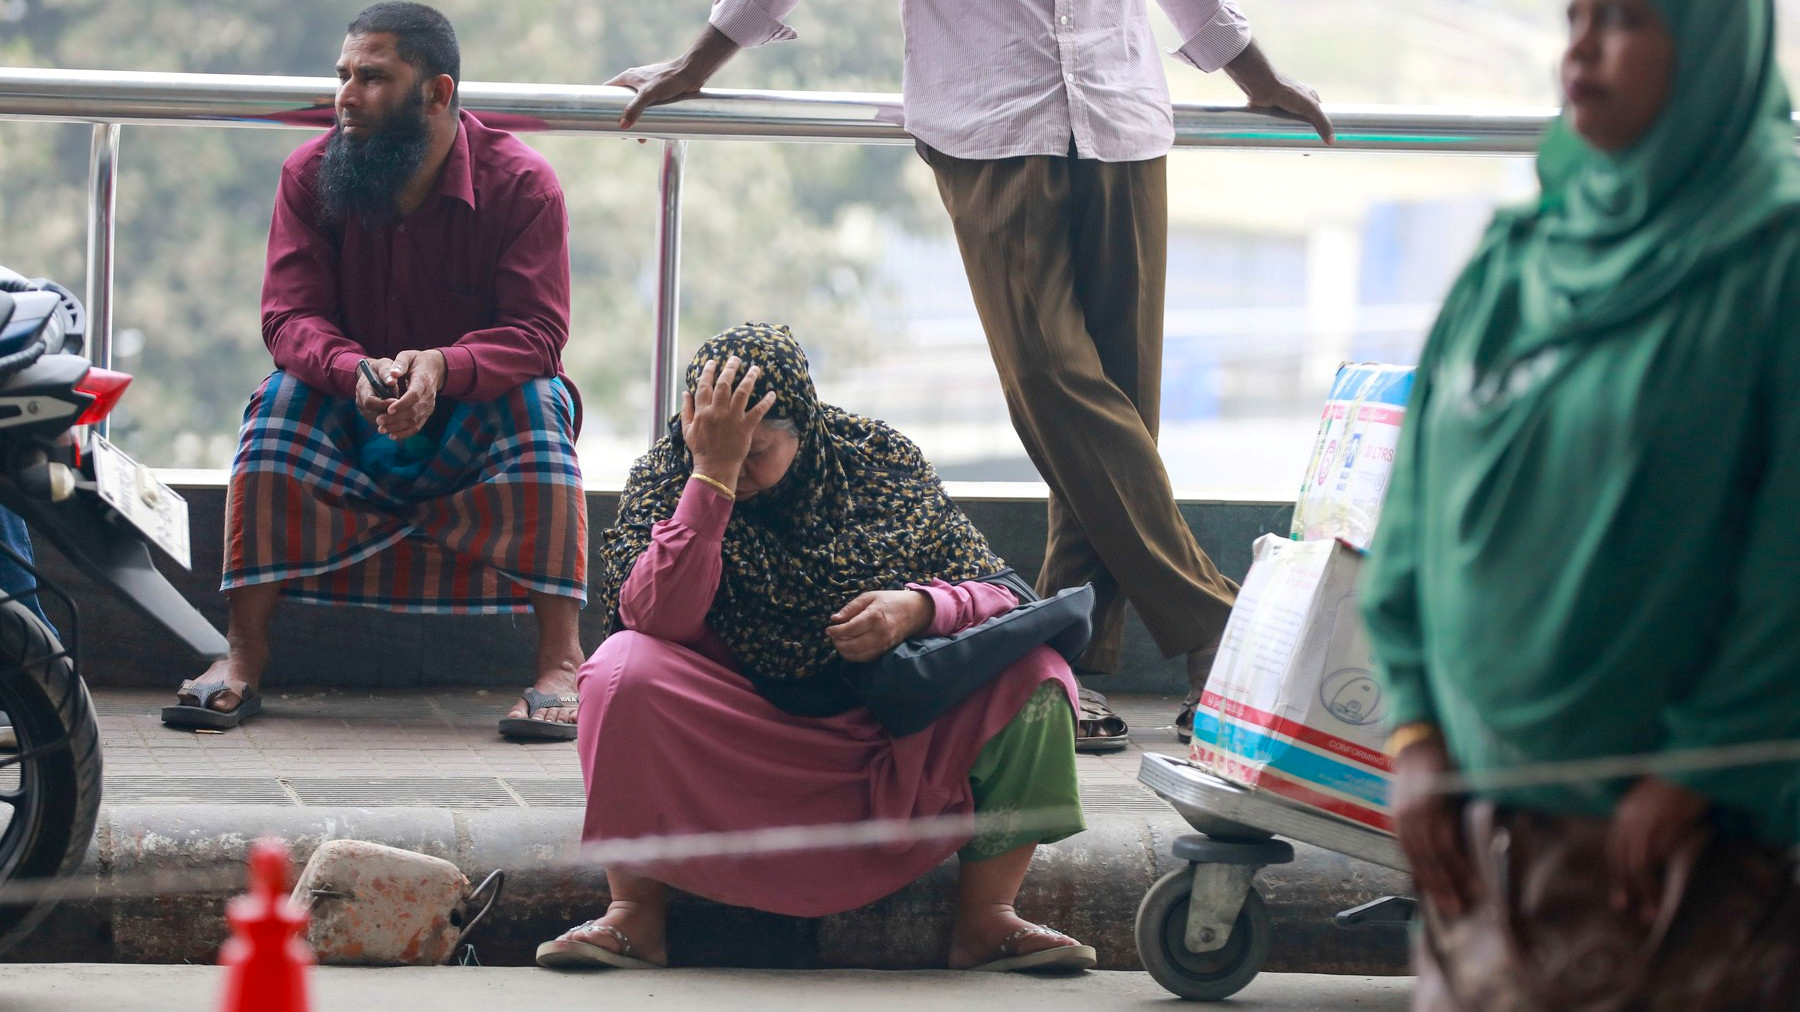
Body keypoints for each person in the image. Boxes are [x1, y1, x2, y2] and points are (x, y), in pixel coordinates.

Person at [606, 1, 1333, 750]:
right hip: (994, 118)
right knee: (1057, 384)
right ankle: (1221, 627)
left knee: (1120, 407)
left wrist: (1256, 74)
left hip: (1122, 114)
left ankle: (1067, 657)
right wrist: (698, 64)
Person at [1363, 0, 1800, 1007]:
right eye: (1575, 14)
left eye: (1630, 19)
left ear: (1712, 48)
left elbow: (1788, 564)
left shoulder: (1771, 265)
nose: (1583, 46)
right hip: (1479, 839)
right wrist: (1416, 731)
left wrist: (1697, 768)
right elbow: (1414, 517)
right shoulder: (1516, 257)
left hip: (1683, 856)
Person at [536, 323, 1092, 973]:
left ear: (804, 434)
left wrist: (917, 607)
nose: (739, 469)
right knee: (619, 671)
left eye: (757, 451)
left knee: (1037, 674)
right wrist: (708, 479)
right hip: (734, 732)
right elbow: (655, 619)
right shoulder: (672, 474)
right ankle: (635, 916)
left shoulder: (875, 463)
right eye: (718, 445)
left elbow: (1005, 593)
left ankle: (987, 920)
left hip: (882, 726)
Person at [162, 2, 589, 739]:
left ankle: (561, 663)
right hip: (348, 407)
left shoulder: (523, 184)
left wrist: (443, 368)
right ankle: (241, 653)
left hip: (473, 417)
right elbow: (287, 319)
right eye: (343, 76)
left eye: (373, 77)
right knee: (277, 404)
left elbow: (539, 333)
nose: (347, 97)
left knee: (539, 404)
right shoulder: (308, 174)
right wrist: (352, 368)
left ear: (438, 91)